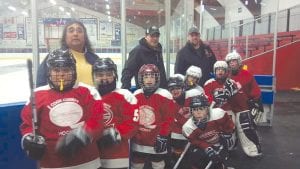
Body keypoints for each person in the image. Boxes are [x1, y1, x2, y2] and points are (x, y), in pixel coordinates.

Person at [20, 49, 104, 169]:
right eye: (56, 70)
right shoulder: (37, 95)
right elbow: (28, 124)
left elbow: (98, 120)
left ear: (73, 71)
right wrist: (28, 139)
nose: (61, 74)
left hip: (87, 162)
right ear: (49, 72)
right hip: (52, 163)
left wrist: (84, 134)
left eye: (66, 70)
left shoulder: (88, 91)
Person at [204, 61, 262, 158]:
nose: (220, 72)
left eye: (222, 69)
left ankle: (252, 149)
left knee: (245, 122)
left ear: (227, 72)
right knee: (225, 142)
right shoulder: (209, 83)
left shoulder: (232, 83)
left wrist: (247, 110)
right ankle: (220, 146)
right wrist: (215, 99)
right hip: (215, 113)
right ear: (214, 71)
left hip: (230, 111)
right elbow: (206, 102)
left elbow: (240, 101)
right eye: (218, 69)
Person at [92, 58, 139, 169]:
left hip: (117, 156)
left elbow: (133, 123)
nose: (104, 78)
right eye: (100, 75)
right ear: (94, 76)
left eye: (108, 74)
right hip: (92, 157)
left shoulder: (125, 95)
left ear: (115, 76)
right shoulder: (89, 95)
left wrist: (115, 134)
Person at [130, 64, 175, 169]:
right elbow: (132, 118)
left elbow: (169, 119)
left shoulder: (165, 95)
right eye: (146, 77)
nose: (149, 79)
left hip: (156, 140)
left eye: (152, 76)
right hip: (139, 141)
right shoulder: (136, 95)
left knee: (158, 164)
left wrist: (163, 136)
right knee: (136, 164)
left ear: (157, 78)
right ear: (141, 79)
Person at [37, 20, 99, 87]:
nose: (75, 34)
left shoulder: (95, 59)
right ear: (65, 36)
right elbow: (41, 85)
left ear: (85, 37)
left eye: (79, 31)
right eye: (71, 31)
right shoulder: (53, 58)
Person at [182, 94, 235, 169]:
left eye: (201, 109)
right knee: (195, 157)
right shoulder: (188, 127)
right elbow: (194, 141)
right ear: (191, 111)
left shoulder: (218, 114)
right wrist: (206, 147)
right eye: (195, 109)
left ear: (207, 109)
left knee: (218, 159)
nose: (198, 112)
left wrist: (228, 133)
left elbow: (228, 124)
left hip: (219, 141)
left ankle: (221, 166)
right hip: (202, 146)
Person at [166, 74, 204, 168]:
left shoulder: (194, 94)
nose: (175, 91)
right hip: (179, 130)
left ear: (183, 88)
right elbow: (178, 120)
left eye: (177, 88)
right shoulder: (169, 102)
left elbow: (207, 106)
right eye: (172, 89)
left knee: (198, 156)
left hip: (196, 128)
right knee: (178, 157)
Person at [121, 26, 168, 90]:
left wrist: (164, 87)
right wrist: (125, 89)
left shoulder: (158, 50)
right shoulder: (137, 51)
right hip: (143, 92)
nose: (155, 38)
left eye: (157, 36)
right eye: (152, 36)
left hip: (159, 90)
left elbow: (161, 71)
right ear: (146, 37)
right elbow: (127, 71)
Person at [225, 51, 264, 123]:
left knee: (245, 132)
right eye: (229, 62)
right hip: (230, 109)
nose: (231, 63)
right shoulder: (226, 75)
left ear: (239, 62)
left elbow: (256, 91)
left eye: (234, 61)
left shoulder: (246, 74)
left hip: (244, 109)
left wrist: (256, 103)